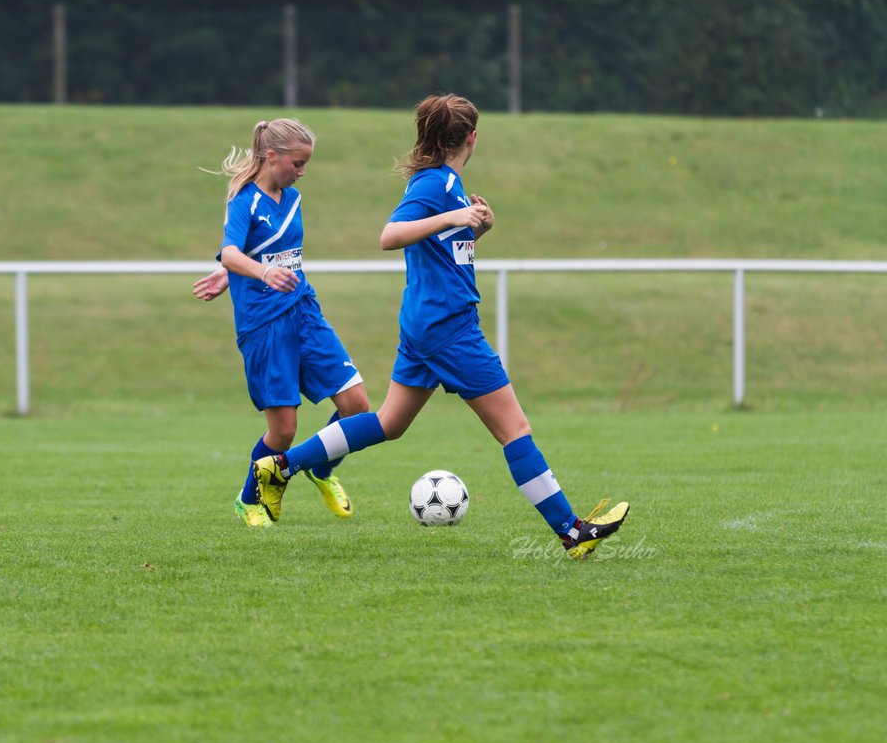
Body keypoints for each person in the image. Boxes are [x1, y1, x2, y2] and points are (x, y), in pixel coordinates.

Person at [251, 95, 629, 558]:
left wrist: (476, 231)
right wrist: (453, 216)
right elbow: (390, 236)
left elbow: (442, 253)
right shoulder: (433, 185)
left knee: (389, 423)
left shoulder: (447, 185)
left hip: (428, 325)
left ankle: (280, 467)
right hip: (449, 329)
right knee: (515, 430)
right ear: (472, 137)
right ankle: (571, 533)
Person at [192, 119, 370, 527]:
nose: (302, 171)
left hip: (304, 311)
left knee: (356, 405)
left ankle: (321, 468)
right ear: (271, 156)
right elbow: (231, 252)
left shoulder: (292, 199)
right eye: (298, 162)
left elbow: (265, 254)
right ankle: (249, 499)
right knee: (284, 431)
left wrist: (238, 271)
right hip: (264, 325)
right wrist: (250, 272)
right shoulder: (244, 202)